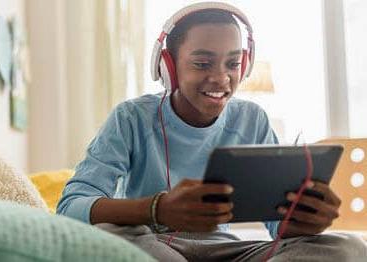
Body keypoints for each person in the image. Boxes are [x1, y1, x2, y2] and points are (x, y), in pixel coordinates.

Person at [57, 2, 367, 261]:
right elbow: (71, 206)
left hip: (227, 251)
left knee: (348, 248)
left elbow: (278, 231)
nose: (221, 78)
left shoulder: (252, 119)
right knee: (110, 234)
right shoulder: (131, 118)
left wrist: (305, 221)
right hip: (154, 248)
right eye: (203, 63)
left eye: (232, 64)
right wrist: (158, 209)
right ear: (169, 66)